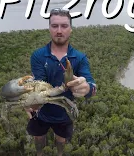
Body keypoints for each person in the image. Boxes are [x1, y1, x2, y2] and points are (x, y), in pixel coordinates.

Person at [26, 8, 97, 156]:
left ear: (70, 29)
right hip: (40, 113)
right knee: (38, 137)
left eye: (64, 26)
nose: (59, 30)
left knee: (61, 140)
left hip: (64, 114)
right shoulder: (38, 56)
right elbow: (40, 83)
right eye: (55, 26)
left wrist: (87, 88)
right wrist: (29, 97)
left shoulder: (79, 58)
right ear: (49, 28)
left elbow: (91, 84)